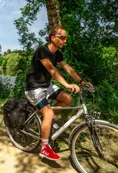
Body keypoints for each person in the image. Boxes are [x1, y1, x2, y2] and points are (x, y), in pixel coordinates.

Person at [24, 25, 92, 161]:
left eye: (66, 38)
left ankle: (45, 121)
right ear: (53, 37)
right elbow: (52, 70)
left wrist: (82, 81)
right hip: (34, 87)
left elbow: (68, 68)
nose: (65, 41)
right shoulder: (41, 51)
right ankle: (44, 147)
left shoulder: (58, 54)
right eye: (63, 38)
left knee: (67, 99)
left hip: (47, 86)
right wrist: (66, 84)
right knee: (48, 112)